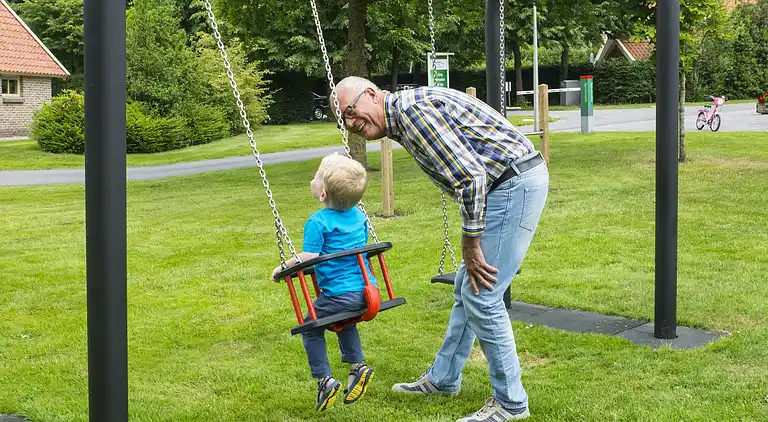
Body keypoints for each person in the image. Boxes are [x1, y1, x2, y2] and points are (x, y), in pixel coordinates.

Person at [333, 76, 549, 422]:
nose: (352, 124)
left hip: (510, 184)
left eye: (352, 112)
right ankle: (444, 379)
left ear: (371, 94)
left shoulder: (412, 114)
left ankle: (511, 403)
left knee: (483, 295)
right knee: (468, 289)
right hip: (507, 183)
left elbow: (471, 178)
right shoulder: (404, 116)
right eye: (344, 120)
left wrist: (470, 242)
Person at [271, 153, 376, 412]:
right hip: (366, 291)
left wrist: (281, 268)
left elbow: (309, 257)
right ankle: (357, 367)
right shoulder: (360, 217)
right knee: (344, 320)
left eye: (316, 177)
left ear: (322, 195)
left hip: (339, 294)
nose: (312, 179)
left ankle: (324, 380)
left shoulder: (317, 221)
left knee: (310, 326)